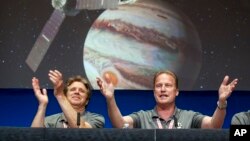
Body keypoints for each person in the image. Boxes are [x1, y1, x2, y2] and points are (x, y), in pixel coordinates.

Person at [97, 70, 238, 129]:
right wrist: (110, 99)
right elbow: (120, 125)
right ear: (154, 92)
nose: (163, 89)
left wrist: (222, 102)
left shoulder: (190, 117)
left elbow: (214, 126)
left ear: (176, 92)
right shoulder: (142, 117)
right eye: (158, 86)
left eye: (168, 86)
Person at [31, 70, 104, 128]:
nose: (77, 92)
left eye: (81, 91)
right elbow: (33, 137)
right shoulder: (50, 120)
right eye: (73, 89)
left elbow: (80, 130)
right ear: (66, 96)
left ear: (87, 101)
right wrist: (42, 105)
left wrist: (60, 96)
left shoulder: (96, 119)